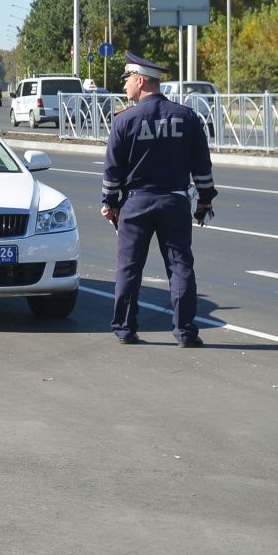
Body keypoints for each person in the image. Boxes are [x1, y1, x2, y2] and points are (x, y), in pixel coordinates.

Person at [100, 52, 219, 347]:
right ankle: (186, 332)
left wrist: (110, 202)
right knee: (180, 267)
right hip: (174, 202)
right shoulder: (186, 117)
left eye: (128, 79)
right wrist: (205, 201)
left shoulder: (124, 120)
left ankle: (125, 329)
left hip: (135, 204)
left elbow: (113, 171)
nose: (125, 85)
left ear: (140, 81)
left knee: (129, 268)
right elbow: (202, 166)